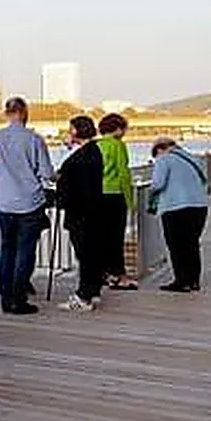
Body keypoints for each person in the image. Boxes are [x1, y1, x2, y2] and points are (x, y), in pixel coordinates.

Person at [0, 97, 53, 314]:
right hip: (30, 203)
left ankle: (5, 297)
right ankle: (19, 299)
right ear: (24, 113)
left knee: (7, 250)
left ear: (7, 113)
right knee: (25, 252)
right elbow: (47, 174)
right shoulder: (34, 140)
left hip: (4, 203)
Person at [56, 115, 104, 313]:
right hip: (90, 210)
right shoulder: (92, 152)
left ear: (77, 131)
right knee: (89, 253)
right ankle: (92, 290)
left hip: (80, 212)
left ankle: (84, 295)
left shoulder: (82, 156)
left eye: (71, 129)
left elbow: (73, 181)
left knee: (84, 253)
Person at [148, 138, 209, 292]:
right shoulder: (192, 158)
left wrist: (151, 192)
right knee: (192, 243)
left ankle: (182, 281)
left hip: (175, 207)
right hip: (199, 205)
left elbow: (158, 183)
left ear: (160, 149)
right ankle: (194, 280)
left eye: (155, 154)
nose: (156, 158)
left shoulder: (164, 158)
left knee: (176, 245)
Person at [95, 113, 138, 290]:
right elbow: (123, 173)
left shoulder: (96, 145)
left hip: (97, 196)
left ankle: (102, 273)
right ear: (118, 129)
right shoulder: (117, 145)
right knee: (115, 238)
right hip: (114, 195)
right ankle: (119, 275)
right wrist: (130, 201)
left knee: (101, 238)